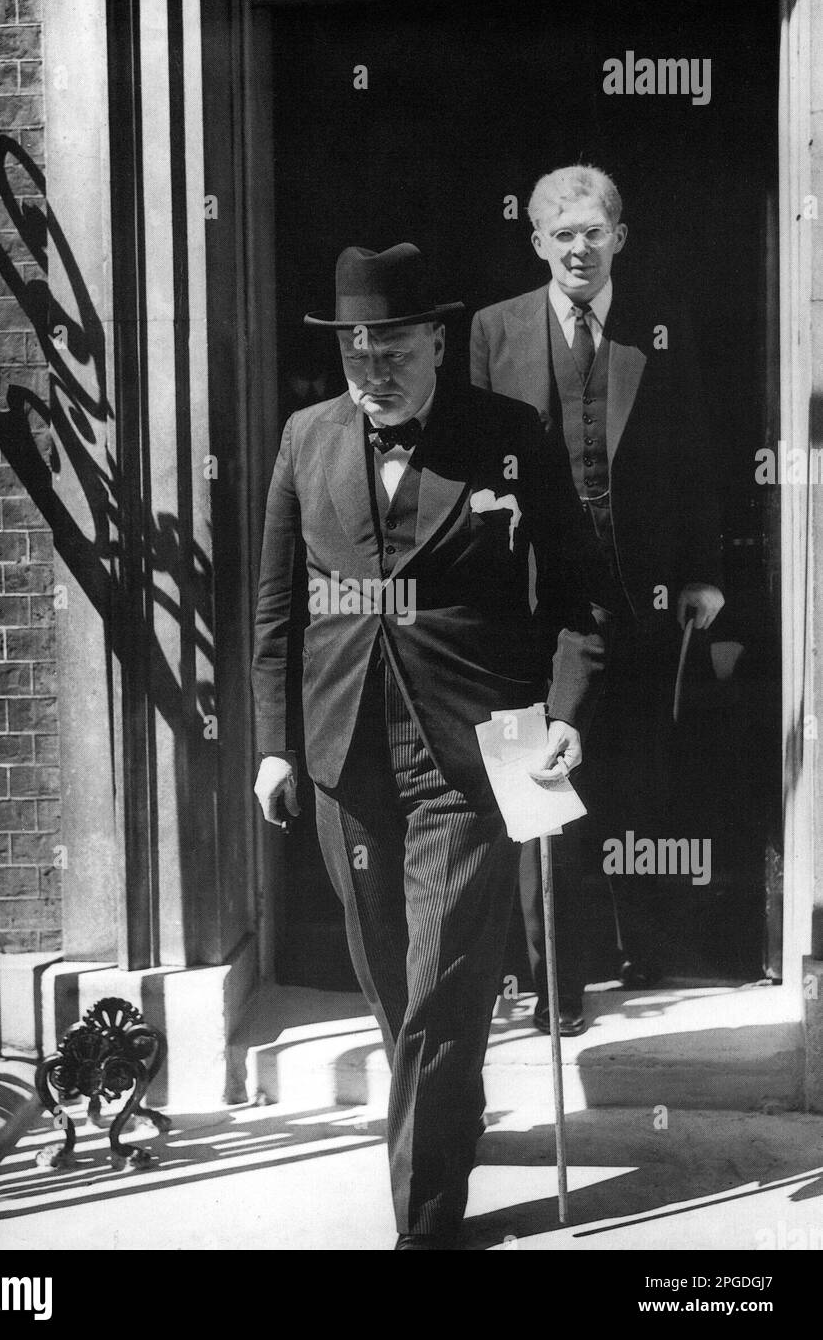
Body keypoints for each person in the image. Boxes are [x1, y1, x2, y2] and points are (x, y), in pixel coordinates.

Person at [252, 241, 611, 1249]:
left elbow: (583, 598)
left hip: (482, 751)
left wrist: (564, 721)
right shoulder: (304, 438)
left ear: (438, 342)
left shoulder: (507, 436)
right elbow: (277, 609)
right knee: (396, 990)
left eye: (395, 345)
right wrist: (276, 746)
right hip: (343, 757)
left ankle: (425, 1228)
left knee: (441, 995)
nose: (375, 366)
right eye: (357, 348)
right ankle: (445, 1123)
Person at [471, 164, 725, 1003]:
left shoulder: (656, 328)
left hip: (640, 594)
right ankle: (553, 984)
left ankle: (644, 951)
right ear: (537, 242)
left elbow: (692, 454)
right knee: (538, 775)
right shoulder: (493, 330)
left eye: (594, 231)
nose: (579, 249)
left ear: (619, 236)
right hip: (529, 600)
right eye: (562, 233)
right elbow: (472, 462)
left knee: (632, 777)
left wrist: (701, 574)